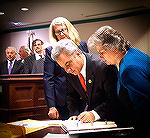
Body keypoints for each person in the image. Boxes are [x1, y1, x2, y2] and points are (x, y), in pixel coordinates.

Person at [87, 25, 150, 136]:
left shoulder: (129, 70)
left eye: (102, 52)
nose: (100, 57)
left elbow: (145, 110)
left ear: (114, 49)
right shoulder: (131, 52)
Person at [51, 39, 119, 123]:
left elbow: (114, 99)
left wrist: (94, 114)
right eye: (63, 67)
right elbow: (71, 95)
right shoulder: (69, 71)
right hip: (92, 123)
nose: (67, 70)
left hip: (112, 120)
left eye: (68, 64)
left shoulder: (103, 67)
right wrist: (74, 114)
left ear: (78, 53)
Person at [44, 17, 89, 120]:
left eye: (63, 30)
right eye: (57, 32)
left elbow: (88, 69)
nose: (61, 34)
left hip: (82, 95)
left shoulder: (81, 45)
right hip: (62, 98)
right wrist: (51, 106)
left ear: (69, 29)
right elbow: (48, 78)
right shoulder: (51, 50)